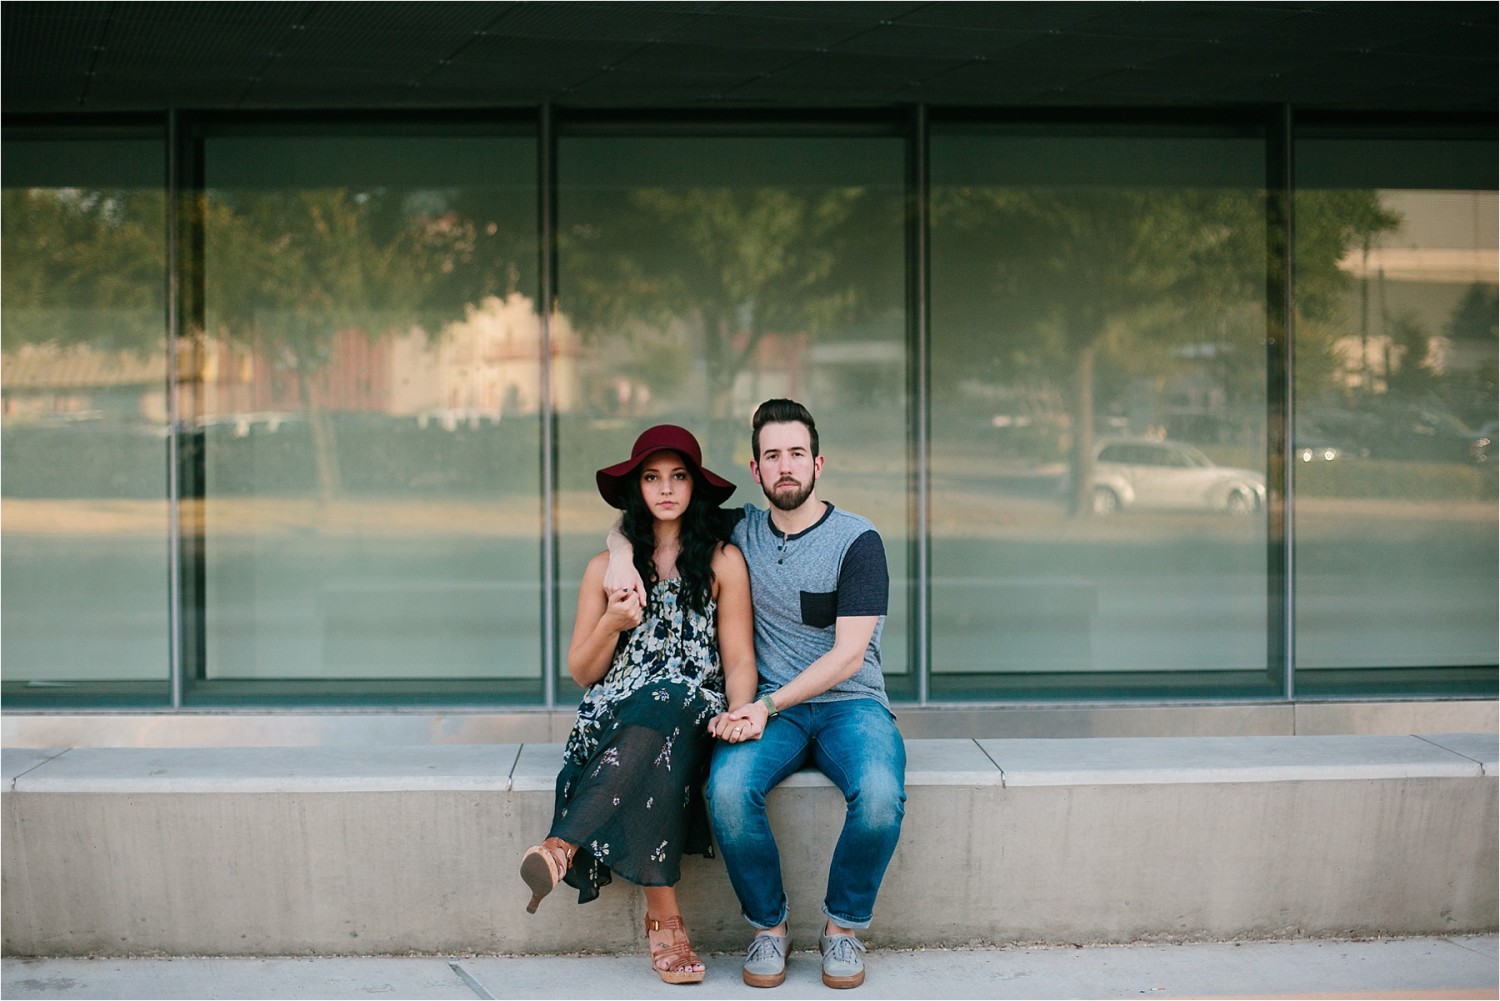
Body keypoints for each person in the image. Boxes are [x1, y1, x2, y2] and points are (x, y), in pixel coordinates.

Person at [607, 399, 906, 991]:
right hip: (771, 709)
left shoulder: (858, 540)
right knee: (727, 790)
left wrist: (765, 707)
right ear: (756, 469)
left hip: (851, 705)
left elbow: (848, 656)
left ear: (818, 463)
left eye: (797, 453)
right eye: (773, 456)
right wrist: (619, 553)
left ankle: (841, 929)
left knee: (878, 795)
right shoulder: (738, 529)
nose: (786, 466)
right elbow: (648, 516)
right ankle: (769, 927)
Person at [521, 424, 757, 986]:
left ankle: (562, 845)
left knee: (672, 695)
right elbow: (582, 672)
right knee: (654, 730)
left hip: (695, 710)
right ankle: (665, 921)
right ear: (637, 488)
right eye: (653, 477)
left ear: (696, 487)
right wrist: (613, 620)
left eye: (679, 477)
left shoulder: (723, 561)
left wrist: (740, 711)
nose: (666, 488)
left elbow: (740, 659)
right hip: (618, 715)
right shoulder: (605, 571)